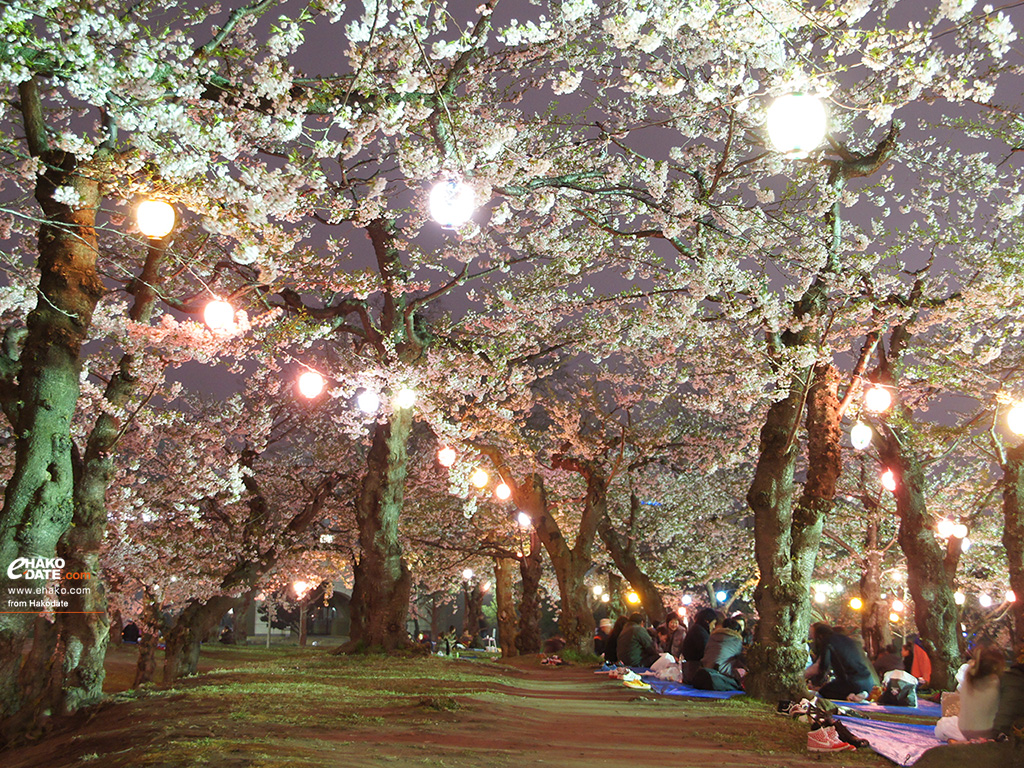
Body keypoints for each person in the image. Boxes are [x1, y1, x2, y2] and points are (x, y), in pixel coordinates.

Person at [936, 644, 1005, 741]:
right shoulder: (996, 682)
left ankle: (961, 741)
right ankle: (972, 742)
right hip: (987, 731)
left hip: (964, 729)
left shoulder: (968, 678)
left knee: (943, 725)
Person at [809, 622, 878, 701]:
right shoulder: (847, 639)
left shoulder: (827, 641)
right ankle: (858, 695)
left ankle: (852, 696)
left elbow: (823, 666)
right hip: (868, 682)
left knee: (824, 691)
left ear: (819, 635)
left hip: (852, 682)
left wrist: (815, 683)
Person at [701, 616, 746, 681]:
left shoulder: (712, 637)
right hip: (722, 671)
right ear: (736, 631)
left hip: (706, 668)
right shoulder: (736, 640)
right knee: (742, 671)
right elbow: (741, 657)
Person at [681, 608, 717, 684]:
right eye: (713, 623)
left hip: (691, 669)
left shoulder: (697, 629)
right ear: (707, 621)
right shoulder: (700, 632)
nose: (713, 627)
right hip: (695, 669)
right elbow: (705, 652)